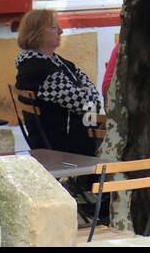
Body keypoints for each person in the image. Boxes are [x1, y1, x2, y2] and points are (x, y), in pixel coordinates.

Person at [15, 9, 102, 155]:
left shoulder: (53, 62)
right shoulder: (39, 70)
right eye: (54, 27)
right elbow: (86, 103)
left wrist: (89, 95)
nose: (61, 31)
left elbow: (91, 98)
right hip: (66, 146)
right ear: (37, 33)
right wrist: (88, 93)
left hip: (69, 137)